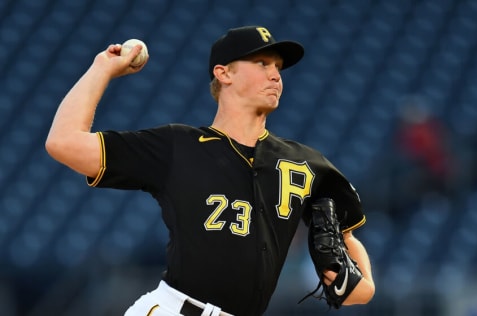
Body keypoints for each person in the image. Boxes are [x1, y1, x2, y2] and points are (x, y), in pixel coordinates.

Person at [45, 26, 375, 316]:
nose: (275, 75)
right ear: (223, 73)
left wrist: (351, 279)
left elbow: (359, 287)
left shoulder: (305, 164)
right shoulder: (178, 146)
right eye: (262, 64)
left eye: (278, 67)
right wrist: (101, 69)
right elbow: (63, 142)